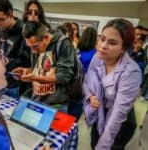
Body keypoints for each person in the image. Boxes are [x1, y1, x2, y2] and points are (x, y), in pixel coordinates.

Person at [83, 18, 142, 150]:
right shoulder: (98, 57)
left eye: (112, 43)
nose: (103, 45)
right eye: (102, 39)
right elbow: (87, 81)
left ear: (123, 48)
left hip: (120, 124)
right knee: (94, 142)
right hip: (100, 114)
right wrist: (90, 96)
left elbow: (118, 114)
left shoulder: (131, 72)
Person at [12, 21, 74, 107]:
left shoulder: (63, 44)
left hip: (55, 104)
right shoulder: (34, 43)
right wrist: (26, 71)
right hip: (36, 99)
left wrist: (35, 78)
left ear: (46, 37)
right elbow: (39, 70)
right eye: (30, 47)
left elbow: (63, 76)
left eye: (35, 46)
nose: (33, 51)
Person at [0, 0, 31, 97]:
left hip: (15, 85)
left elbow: (27, 62)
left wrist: (9, 60)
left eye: (1, 19)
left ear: (11, 14)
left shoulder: (24, 31)